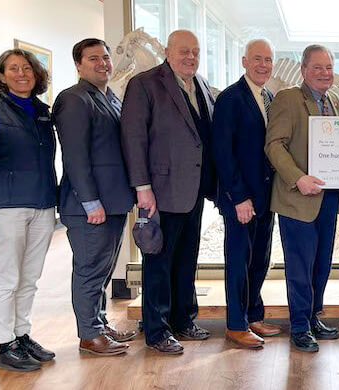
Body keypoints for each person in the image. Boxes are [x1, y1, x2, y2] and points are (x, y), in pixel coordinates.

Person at [121, 30, 217, 354]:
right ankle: (157, 330)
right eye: (184, 51)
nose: (190, 57)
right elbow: (133, 139)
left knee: (186, 259)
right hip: (160, 190)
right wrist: (142, 189)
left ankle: (182, 319)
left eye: (196, 51)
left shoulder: (200, 84)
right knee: (159, 262)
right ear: (166, 51)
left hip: (193, 189)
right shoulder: (145, 84)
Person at [0, 49, 58, 371]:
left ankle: (22, 335)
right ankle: (5, 345)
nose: (22, 73)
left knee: (30, 278)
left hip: (44, 206)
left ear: (36, 74)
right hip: (5, 209)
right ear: (2, 76)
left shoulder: (43, 113)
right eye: (13, 69)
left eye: (27, 68)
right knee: (7, 278)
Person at [54, 38, 137, 357]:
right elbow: (75, 157)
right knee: (89, 270)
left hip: (113, 203)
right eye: (93, 59)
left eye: (105, 57)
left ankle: (99, 324)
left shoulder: (110, 97)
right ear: (78, 65)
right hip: (90, 207)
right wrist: (91, 203)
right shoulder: (74, 99)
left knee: (102, 270)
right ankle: (89, 335)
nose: (103, 63)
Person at [265, 44, 339, 353]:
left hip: (327, 198)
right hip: (297, 198)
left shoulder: (335, 101)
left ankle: (313, 317)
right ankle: (299, 326)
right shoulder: (288, 99)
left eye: (329, 68)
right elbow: (274, 145)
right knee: (299, 266)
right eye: (318, 68)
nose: (324, 73)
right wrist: (298, 178)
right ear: (303, 70)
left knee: (321, 264)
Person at [212, 38, 282, 349]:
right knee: (238, 260)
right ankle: (236, 324)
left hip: (265, 197)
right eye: (257, 59)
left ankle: (254, 314)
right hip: (241, 199)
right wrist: (238, 197)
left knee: (260, 259)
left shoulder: (267, 97)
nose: (263, 65)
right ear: (244, 61)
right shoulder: (231, 98)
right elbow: (223, 153)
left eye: (268, 60)